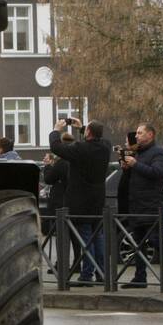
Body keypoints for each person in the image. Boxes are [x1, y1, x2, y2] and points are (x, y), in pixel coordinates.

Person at [49, 118, 111, 286]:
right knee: (97, 236)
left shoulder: (80, 149)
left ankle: (86, 274)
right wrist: (83, 127)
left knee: (85, 237)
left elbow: (56, 147)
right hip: (98, 199)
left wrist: (56, 130)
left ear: (88, 133)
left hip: (80, 200)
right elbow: (100, 139)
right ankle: (102, 273)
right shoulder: (106, 147)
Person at [118, 123, 163, 288]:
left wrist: (135, 164)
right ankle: (140, 277)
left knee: (155, 240)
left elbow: (157, 173)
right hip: (137, 205)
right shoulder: (137, 152)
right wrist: (127, 168)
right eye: (137, 133)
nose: (137, 136)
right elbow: (136, 176)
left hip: (152, 205)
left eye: (140, 133)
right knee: (137, 243)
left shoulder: (159, 152)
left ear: (150, 135)